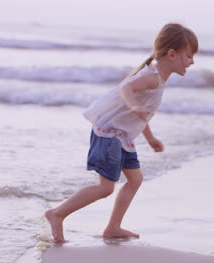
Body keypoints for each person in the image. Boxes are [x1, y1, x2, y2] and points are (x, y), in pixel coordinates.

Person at [45, 23, 198, 243]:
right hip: (109, 134)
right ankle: (57, 213)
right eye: (190, 56)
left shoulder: (159, 79)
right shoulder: (152, 76)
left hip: (122, 137)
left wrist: (150, 137)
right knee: (105, 187)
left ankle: (113, 227)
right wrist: (134, 106)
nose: (192, 61)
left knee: (135, 180)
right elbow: (125, 90)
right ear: (172, 54)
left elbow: (139, 114)